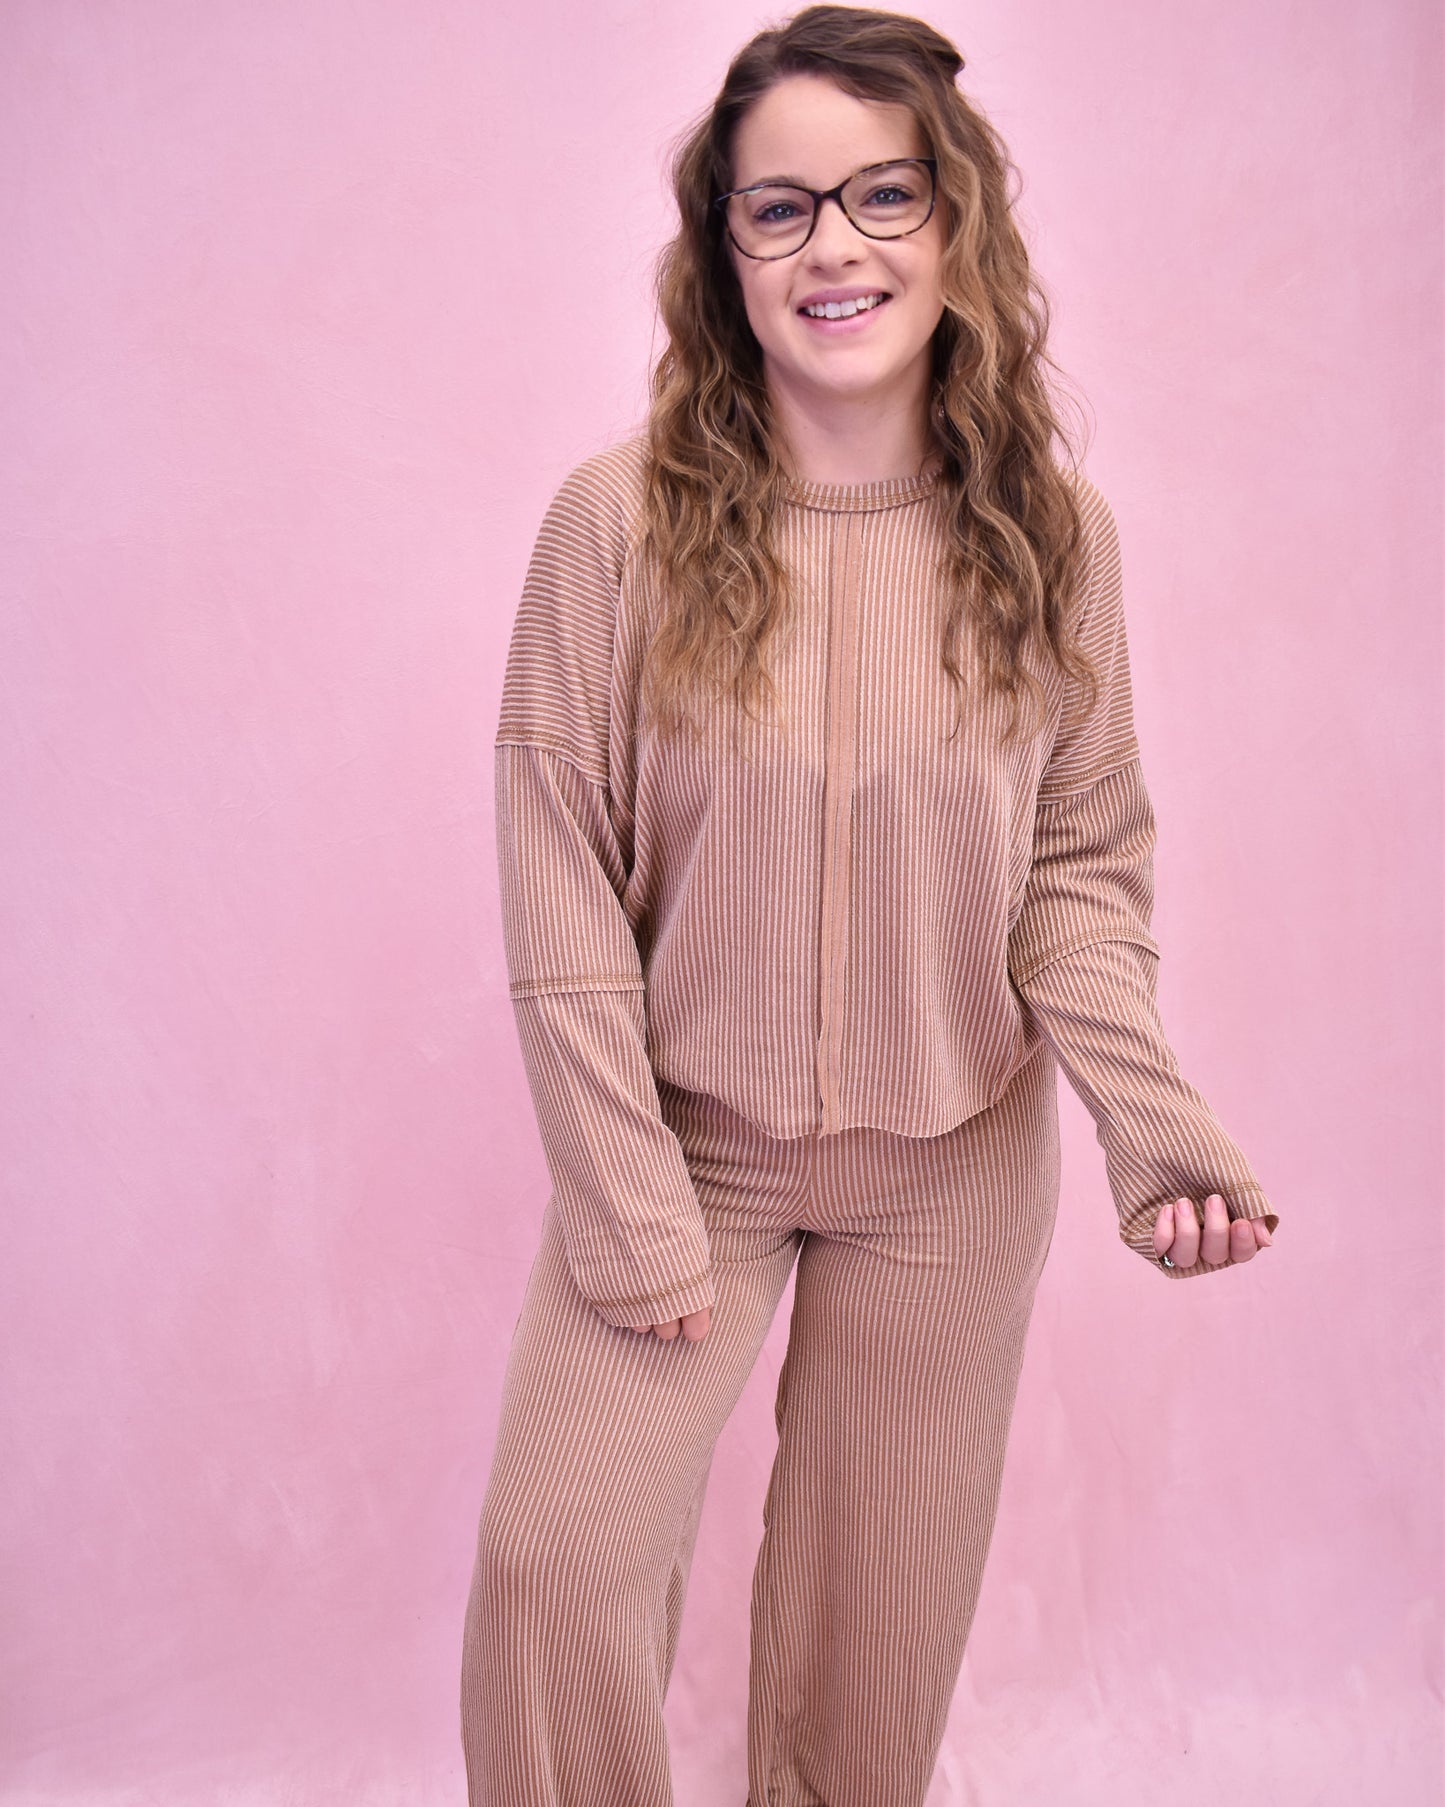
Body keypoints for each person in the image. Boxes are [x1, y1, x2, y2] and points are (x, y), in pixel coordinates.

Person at [459, 7, 1280, 1803]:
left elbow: (1073, 873)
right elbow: (560, 887)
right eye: (778, 209)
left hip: (952, 1166)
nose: (834, 243)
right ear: (725, 254)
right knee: (553, 1567)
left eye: (880, 194)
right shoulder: (615, 530)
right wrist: (628, 1216)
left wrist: (1159, 1130)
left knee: (866, 1648)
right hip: (689, 1147)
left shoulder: (1053, 541)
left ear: (954, 223)